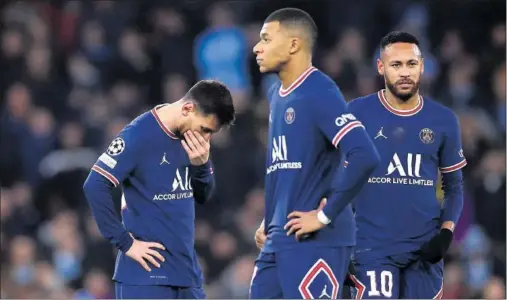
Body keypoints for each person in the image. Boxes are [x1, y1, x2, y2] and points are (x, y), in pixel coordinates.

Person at [250, 8, 380, 299]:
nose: (257, 47)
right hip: (279, 236)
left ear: (294, 44)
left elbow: (364, 154)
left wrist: (323, 216)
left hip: (316, 239)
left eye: (266, 39)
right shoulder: (276, 95)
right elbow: (284, 168)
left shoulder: (318, 90)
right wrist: (270, 217)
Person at [83, 80, 235, 299]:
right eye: (204, 129)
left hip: (186, 275)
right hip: (146, 279)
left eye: (211, 133)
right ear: (187, 108)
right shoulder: (139, 134)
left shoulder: (192, 141)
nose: (205, 138)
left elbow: (204, 196)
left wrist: (202, 166)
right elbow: (95, 184)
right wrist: (125, 243)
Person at [346, 31, 466, 299]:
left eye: (411, 64)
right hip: (372, 249)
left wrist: (446, 233)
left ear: (422, 66)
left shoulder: (443, 120)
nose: (404, 72)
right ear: (381, 67)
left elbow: (454, 186)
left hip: (424, 251)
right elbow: (335, 179)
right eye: (396, 64)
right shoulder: (356, 113)